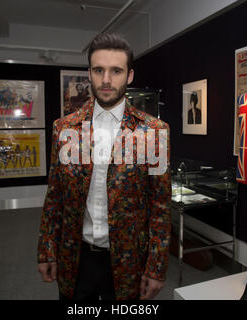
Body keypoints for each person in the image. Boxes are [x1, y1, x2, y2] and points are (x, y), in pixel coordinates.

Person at [37, 33, 171, 301]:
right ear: (89, 73)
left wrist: (156, 268)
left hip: (128, 261)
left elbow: (160, 206)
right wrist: (46, 250)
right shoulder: (64, 128)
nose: (107, 80)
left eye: (116, 71)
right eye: (99, 70)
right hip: (76, 256)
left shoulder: (154, 132)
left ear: (130, 76)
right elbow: (54, 196)